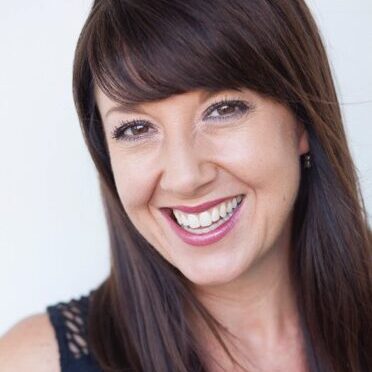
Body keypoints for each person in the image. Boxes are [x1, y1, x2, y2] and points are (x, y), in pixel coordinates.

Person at [0, 0, 371, 371]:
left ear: (301, 120)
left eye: (223, 110)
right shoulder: (34, 362)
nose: (185, 177)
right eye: (136, 129)